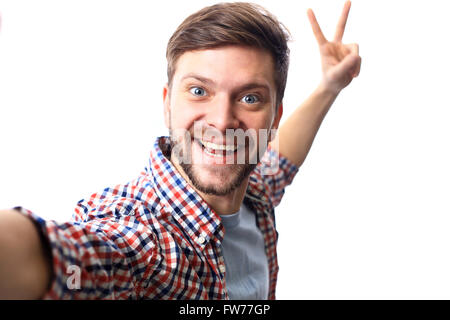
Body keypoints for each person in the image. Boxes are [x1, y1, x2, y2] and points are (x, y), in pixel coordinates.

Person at [0, 1, 361, 299]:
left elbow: (279, 164)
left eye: (250, 98)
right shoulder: (144, 239)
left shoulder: (254, 196)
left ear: (274, 117)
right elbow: (69, 257)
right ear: (167, 104)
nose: (221, 122)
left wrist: (329, 86)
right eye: (199, 91)